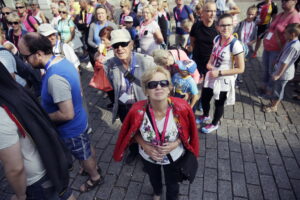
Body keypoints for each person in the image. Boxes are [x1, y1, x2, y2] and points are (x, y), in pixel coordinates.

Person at [18, 32, 103, 193]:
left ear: (39, 54)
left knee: (83, 155)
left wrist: (42, 117)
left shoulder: (54, 78)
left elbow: (66, 114)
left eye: (26, 57)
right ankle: (93, 166)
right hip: (80, 120)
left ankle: (95, 177)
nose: (25, 62)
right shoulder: (61, 60)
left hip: (71, 129)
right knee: (86, 148)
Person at [113, 66, 199, 200]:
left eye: (163, 83)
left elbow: (190, 130)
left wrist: (176, 143)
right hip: (148, 156)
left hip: (174, 157)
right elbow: (131, 132)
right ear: (146, 91)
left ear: (170, 87)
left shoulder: (182, 107)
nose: (158, 87)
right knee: (154, 178)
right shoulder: (137, 110)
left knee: (173, 184)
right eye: (152, 84)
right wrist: (144, 145)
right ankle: (157, 192)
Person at [0, 62, 75, 200]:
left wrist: (20, 196)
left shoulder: (1, 114)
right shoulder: (18, 90)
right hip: (51, 159)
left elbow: (15, 169)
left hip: (36, 180)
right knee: (64, 193)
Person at [105, 29, 156, 163]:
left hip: (143, 106)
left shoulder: (147, 61)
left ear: (132, 44)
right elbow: (111, 85)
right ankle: (134, 151)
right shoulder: (110, 64)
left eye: (123, 44)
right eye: (116, 46)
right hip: (124, 106)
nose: (120, 48)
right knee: (129, 130)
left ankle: (147, 155)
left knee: (146, 132)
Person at [198, 14, 245, 133]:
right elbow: (214, 54)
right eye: (222, 25)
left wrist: (219, 72)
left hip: (224, 79)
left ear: (233, 25)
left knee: (218, 103)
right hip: (212, 75)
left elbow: (240, 69)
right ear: (217, 27)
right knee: (204, 98)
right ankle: (205, 115)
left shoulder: (236, 45)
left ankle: (214, 123)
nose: (226, 28)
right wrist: (209, 62)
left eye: (228, 25)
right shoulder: (217, 39)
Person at [259, 0, 300, 96]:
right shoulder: (281, 14)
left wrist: (280, 54)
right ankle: (264, 86)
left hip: (277, 50)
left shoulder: (295, 17)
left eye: (286, 0)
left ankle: (269, 90)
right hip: (268, 47)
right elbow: (271, 27)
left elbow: (291, 38)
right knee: (266, 69)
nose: (283, 2)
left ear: (295, 1)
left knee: (272, 71)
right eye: (282, 0)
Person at [263, 23, 300, 112]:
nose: (284, 35)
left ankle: (274, 106)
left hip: (283, 73)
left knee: (278, 90)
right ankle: (273, 102)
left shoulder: (293, 46)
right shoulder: (290, 41)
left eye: (286, 33)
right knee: (277, 88)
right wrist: (277, 59)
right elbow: (282, 51)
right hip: (280, 69)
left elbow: (285, 62)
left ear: (293, 34)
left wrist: (278, 74)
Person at [190, 1, 218, 78]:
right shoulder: (196, 26)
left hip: (211, 63)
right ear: (203, 12)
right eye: (209, 11)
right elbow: (192, 39)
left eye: (214, 11)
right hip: (197, 60)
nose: (213, 14)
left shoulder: (218, 28)